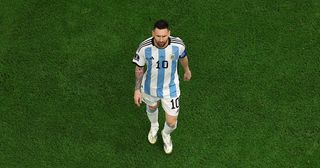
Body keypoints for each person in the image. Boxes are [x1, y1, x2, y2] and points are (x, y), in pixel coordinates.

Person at [132, 19, 191, 154]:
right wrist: (137, 90)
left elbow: (183, 57)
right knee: (152, 107)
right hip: (149, 87)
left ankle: (166, 134)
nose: (161, 39)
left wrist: (187, 70)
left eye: (164, 36)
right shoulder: (144, 47)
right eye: (158, 36)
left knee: (171, 122)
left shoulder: (178, 45)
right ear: (153, 33)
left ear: (169, 33)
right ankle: (154, 126)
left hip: (171, 88)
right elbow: (139, 69)